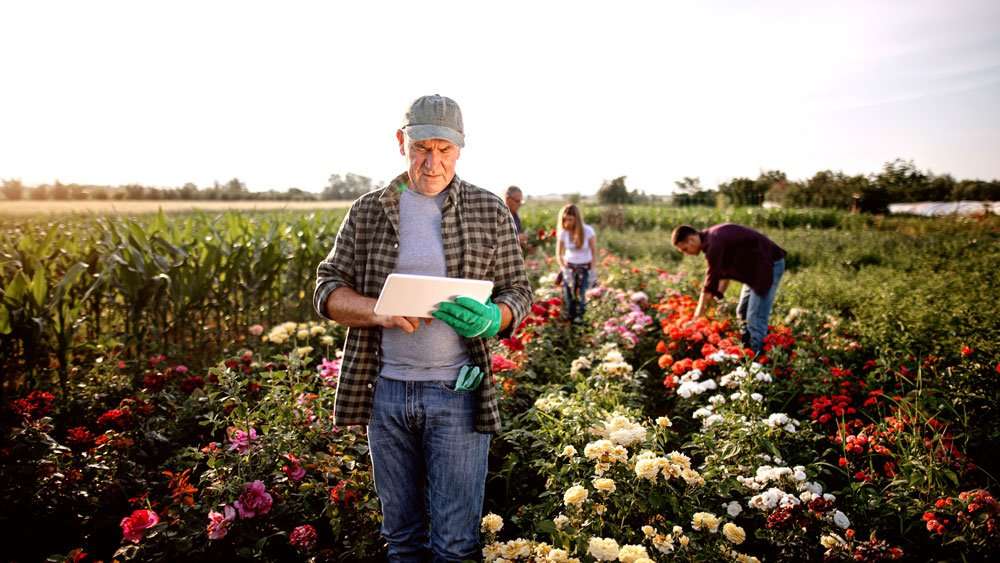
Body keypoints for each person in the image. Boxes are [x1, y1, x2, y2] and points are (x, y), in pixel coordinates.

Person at [313, 94, 532, 562]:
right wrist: (378, 311)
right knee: (403, 541)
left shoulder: (488, 210)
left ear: (460, 149)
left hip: (456, 390)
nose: (433, 163)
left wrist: (497, 317)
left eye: (445, 150)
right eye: (422, 148)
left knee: (455, 546)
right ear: (401, 142)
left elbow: (519, 290)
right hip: (386, 392)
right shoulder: (369, 211)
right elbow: (327, 289)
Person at [671, 223, 786, 354]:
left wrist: (696, 318)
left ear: (691, 240)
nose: (687, 254)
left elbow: (710, 283)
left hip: (769, 265)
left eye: (685, 249)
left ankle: (758, 361)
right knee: (742, 312)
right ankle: (747, 350)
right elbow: (722, 277)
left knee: (755, 318)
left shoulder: (714, 243)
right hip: (754, 270)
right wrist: (717, 299)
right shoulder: (711, 238)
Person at [555, 203, 597, 323]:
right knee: (568, 296)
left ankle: (583, 321)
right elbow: (558, 254)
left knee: (584, 295)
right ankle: (571, 321)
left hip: (585, 268)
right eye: (565, 219)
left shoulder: (588, 231)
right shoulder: (563, 232)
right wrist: (564, 269)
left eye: (570, 219)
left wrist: (592, 271)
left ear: (577, 219)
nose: (567, 222)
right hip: (569, 268)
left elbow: (594, 253)